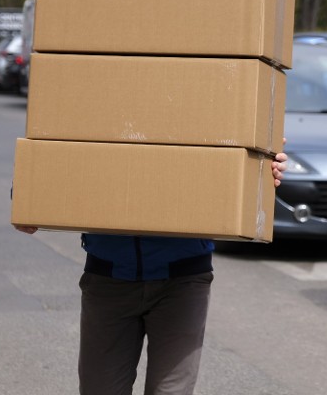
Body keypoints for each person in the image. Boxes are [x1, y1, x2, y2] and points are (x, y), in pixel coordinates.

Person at [15, 150, 289, 395]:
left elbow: (232, 159)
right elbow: (57, 152)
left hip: (182, 282)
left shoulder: (201, 102)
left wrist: (264, 168)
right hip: (109, 278)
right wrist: (30, 195)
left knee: (170, 391)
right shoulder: (97, 103)